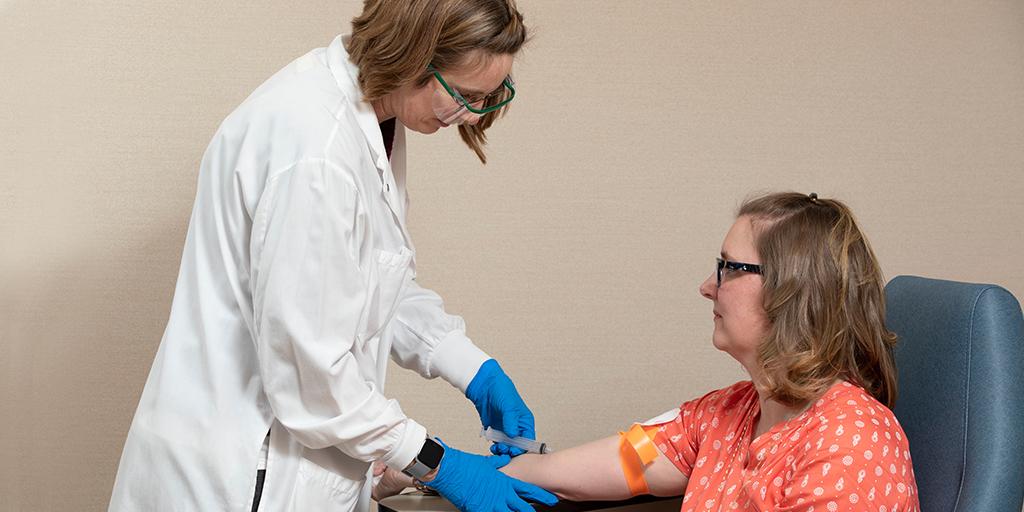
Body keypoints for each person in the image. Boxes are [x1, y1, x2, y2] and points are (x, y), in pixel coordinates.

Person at [108, 1, 557, 511]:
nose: (468, 114)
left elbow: (364, 274)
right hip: (243, 470)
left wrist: (472, 368)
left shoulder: (370, 117)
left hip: (281, 456)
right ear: (412, 56)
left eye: (486, 98)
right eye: (463, 96)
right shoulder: (316, 153)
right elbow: (311, 374)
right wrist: (436, 461)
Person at [376, 192, 921, 511]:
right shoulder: (730, 414)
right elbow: (625, 461)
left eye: (729, 268)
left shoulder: (853, 442)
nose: (707, 286)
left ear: (793, 289)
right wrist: (440, 465)